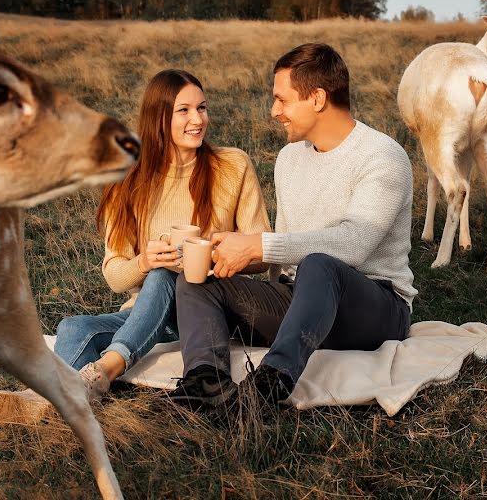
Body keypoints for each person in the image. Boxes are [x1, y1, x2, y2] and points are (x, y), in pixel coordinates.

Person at [0, 68, 270, 422]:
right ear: (158, 118)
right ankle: (47, 400)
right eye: (184, 111)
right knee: (74, 327)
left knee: (164, 277)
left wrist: (217, 255)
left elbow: (259, 256)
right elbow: (115, 276)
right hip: (150, 313)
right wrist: (143, 261)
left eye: (202, 108)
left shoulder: (232, 165)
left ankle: (97, 377)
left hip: (208, 305)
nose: (198, 119)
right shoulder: (129, 179)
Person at [167, 43, 416, 408]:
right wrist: (233, 257)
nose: (274, 112)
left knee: (319, 263)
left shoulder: (383, 156)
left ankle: (270, 384)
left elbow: (355, 244)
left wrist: (258, 245)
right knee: (196, 283)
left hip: (376, 309)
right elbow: (286, 248)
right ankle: (206, 384)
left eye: (282, 100)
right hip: (303, 299)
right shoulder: (289, 158)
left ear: (317, 98)